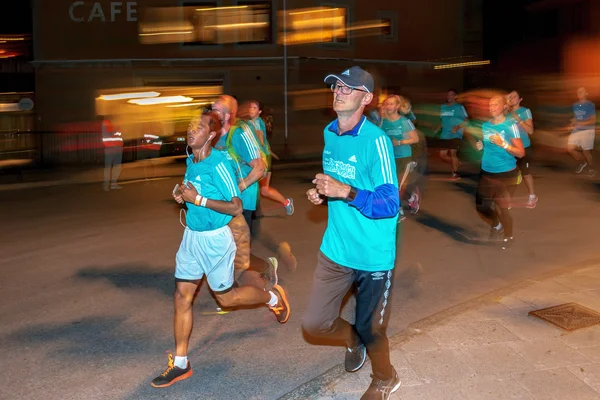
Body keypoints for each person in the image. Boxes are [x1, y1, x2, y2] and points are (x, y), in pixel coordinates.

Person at [151, 110, 290, 389]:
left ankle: (272, 297)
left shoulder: (219, 163)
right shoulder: (192, 160)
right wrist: (182, 195)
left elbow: (235, 206)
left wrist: (198, 199)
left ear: (211, 135)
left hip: (216, 241)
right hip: (191, 238)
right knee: (181, 296)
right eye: (190, 126)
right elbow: (194, 191)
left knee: (227, 299)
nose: (191, 131)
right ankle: (181, 364)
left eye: (198, 127)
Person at [303, 66, 402, 400]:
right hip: (336, 248)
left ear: (366, 98)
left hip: (373, 253)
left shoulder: (377, 142)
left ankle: (385, 378)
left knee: (371, 327)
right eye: (336, 87)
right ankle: (352, 339)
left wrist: (344, 191)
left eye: (348, 88)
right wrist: (321, 194)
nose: (339, 92)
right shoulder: (330, 132)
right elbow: (337, 182)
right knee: (315, 325)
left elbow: (389, 203)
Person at [475, 95, 525, 250]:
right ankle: (496, 224)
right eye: (490, 105)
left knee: (501, 206)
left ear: (504, 106)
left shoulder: (511, 125)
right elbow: (488, 144)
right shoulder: (485, 126)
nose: (491, 107)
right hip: (487, 171)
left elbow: (520, 153)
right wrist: (481, 146)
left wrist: (503, 143)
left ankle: (508, 236)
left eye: (495, 104)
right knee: (481, 206)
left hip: (506, 173)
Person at [244, 100, 294, 215]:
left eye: (254, 108)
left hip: (262, 159)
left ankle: (286, 202)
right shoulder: (251, 122)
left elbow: (260, 141)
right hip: (259, 157)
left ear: (259, 112)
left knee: (263, 189)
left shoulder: (256, 123)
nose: (251, 109)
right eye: (250, 107)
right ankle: (253, 210)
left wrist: (252, 138)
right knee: (257, 187)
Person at [381, 95, 420, 216]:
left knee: (399, 186)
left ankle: (398, 211)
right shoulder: (383, 121)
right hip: (389, 158)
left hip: (404, 157)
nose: (388, 106)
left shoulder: (404, 121)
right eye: (387, 104)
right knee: (391, 185)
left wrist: (399, 142)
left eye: (391, 104)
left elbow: (415, 139)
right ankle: (411, 197)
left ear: (397, 106)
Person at [506, 90, 538, 208]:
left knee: (525, 173)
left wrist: (518, 119)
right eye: (510, 96)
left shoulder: (525, 111)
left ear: (520, 99)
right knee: (509, 174)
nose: (512, 98)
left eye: (514, 96)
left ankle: (532, 196)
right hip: (510, 148)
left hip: (523, 147)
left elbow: (530, 131)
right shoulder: (506, 113)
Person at [438, 89, 469, 180]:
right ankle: (457, 162)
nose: (449, 96)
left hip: (455, 133)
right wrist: (438, 128)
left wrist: (457, 127)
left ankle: (455, 173)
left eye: (451, 95)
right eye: (448, 95)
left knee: (452, 153)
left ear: (455, 96)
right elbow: (442, 120)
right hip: (445, 133)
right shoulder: (443, 107)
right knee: (442, 155)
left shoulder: (459, 107)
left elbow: (466, 120)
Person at [568, 87, 596, 177]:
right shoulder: (575, 105)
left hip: (588, 130)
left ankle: (591, 168)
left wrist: (578, 123)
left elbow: (593, 120)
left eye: (582, 91)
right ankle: (583, 162)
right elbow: (576, 117)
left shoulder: (590, 105)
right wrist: (572, 123)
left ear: (586, 93)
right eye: (578, 91)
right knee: (570, 149)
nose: (579, 93)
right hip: (577, 129)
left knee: (586, 152)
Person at [101, 114, 123, 191]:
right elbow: (108, 137)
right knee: (110, 167)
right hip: (111, 149)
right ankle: (108, 185)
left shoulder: (115, 124)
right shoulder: (107, 124)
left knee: (113, 167)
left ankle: (112, 184)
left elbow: (119, 136)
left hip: (115, 149)